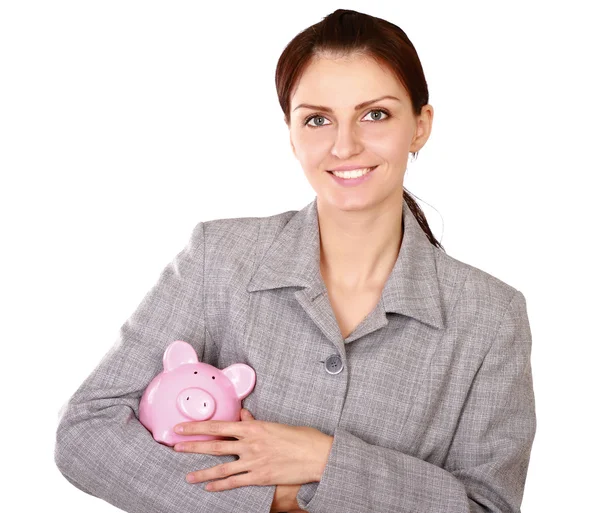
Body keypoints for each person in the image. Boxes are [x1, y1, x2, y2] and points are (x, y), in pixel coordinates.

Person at [54, 8, 536, 513]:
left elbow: (489, 507)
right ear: (291, 132)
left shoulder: (491, 317)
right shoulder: (218, 258)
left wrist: (326, 461)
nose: (345, 145)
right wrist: (273, 500)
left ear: (420, 126)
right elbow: (87, 431)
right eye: (317, 119)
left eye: (375, 114)